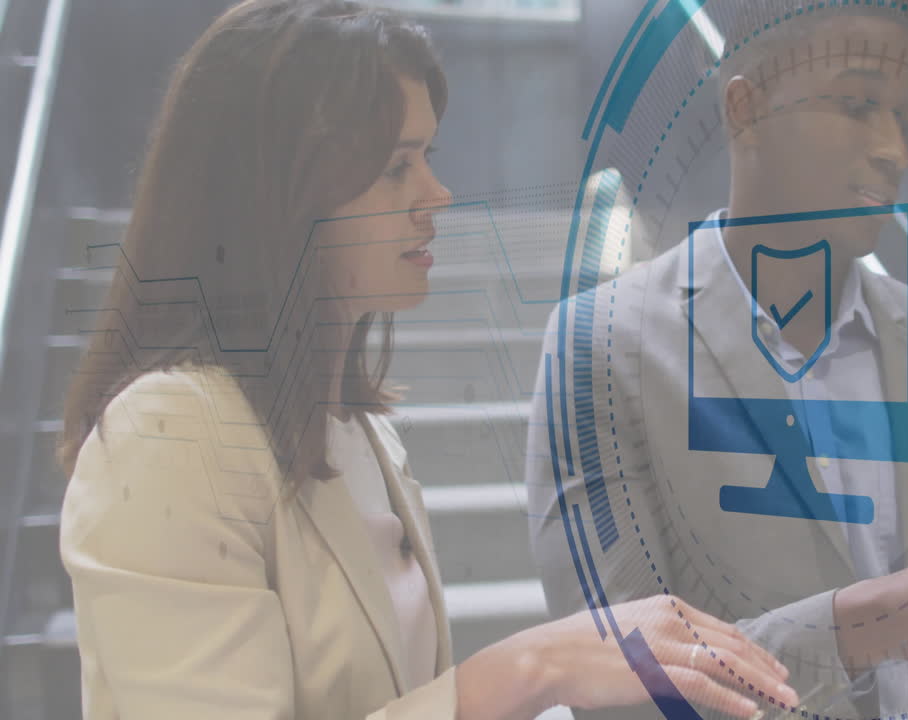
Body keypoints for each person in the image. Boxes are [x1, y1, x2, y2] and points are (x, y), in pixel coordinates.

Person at [55, 2, 799, 719]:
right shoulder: (167, 437)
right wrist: (527, 670)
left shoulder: (359, 431)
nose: (437, 194)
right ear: (272, 191)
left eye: (427, 156)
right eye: (393, 167)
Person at [526, 5, 908, 719]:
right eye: (857, 104)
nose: (894, 149)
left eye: (901, 115)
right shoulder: (600, 349)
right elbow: (619, 689)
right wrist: (863, 625)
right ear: (745, 107)